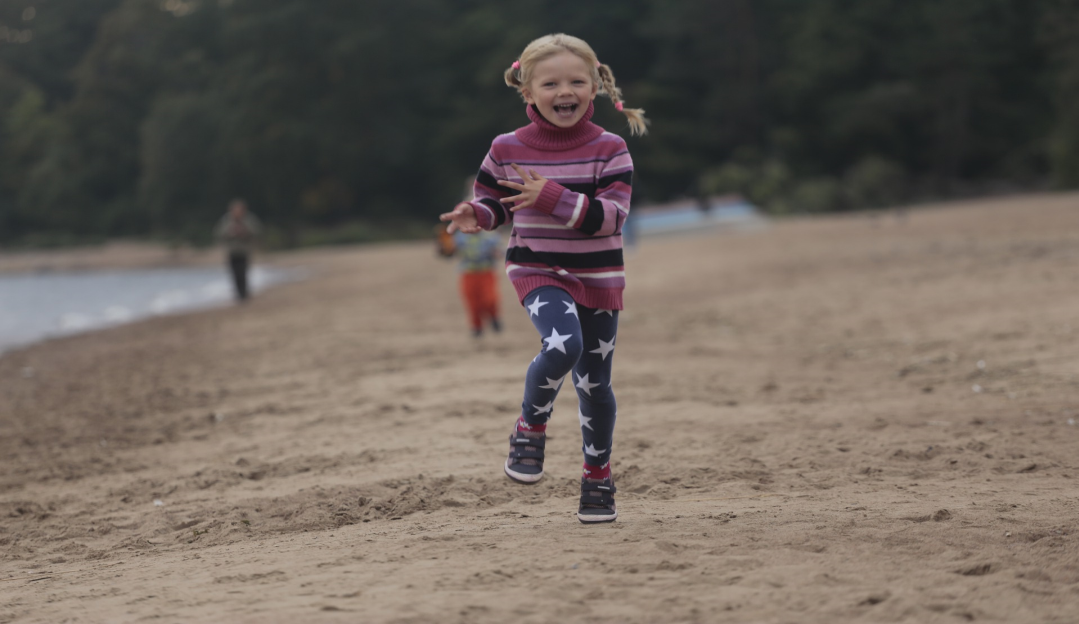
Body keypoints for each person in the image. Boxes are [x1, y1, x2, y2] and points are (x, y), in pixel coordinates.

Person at [439, 33, 647, 523]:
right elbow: (495, 204)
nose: (564, 91)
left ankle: (598, 476)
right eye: (550, 83)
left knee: (595, 384)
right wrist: (476, 212)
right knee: (562, 345)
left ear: (593, 87)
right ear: (528, 92)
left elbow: (612, 219)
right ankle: (530, 426)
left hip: (598, 276)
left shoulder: (610, 149)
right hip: (536, 267)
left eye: (576, 81)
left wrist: (549, 195)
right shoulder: (507, 147)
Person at [214, 199, 261, 301]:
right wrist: (230, 232)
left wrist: (244, 232)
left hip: (244, 251)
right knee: (234, 273)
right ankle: (239, 294)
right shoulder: (226, 220)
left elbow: (256, 231)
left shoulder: (248, 219)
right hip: (232, 252)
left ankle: (244, 293)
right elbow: (219, 233)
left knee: (243, 272)